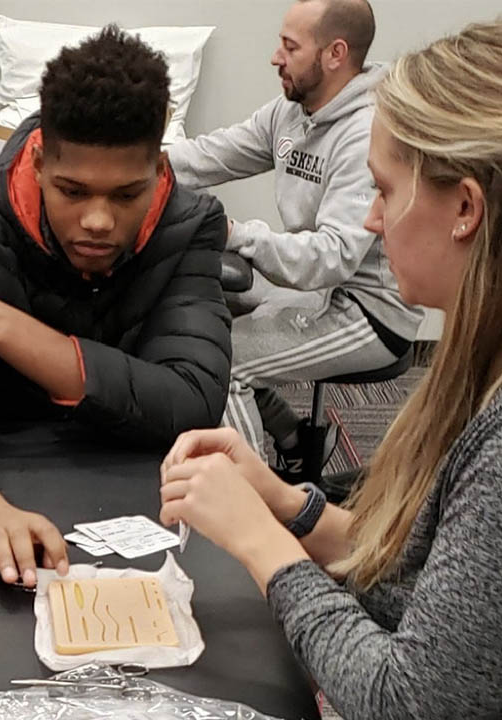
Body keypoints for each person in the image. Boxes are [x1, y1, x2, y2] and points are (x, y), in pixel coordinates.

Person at [160, 17, 502, 720]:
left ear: (466, 209)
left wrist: (260, 547)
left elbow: (409, 713)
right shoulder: (497, 367)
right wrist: (286, 506)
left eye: (382, 191)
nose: (372, 220)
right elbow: (425, 575)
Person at [0, 27, 246, 590]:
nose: (98, 221)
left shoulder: (187, 228)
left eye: (126, 195)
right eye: (72, 191)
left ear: (159, 171)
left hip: (143, 498)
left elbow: (191, 399)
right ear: (39, 162)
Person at [167, 0, 421, 476]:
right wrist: (133, 168)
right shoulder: (293, 111)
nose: (275, 57)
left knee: (226, 363)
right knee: (198, 321)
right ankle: (297, 440)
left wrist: (235, 234)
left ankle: (255, 513)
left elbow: (333, 258)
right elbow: (210, 155)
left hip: (365, 310)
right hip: (311, 291)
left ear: (335, 54)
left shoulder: (367, 131)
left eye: (290, 46)